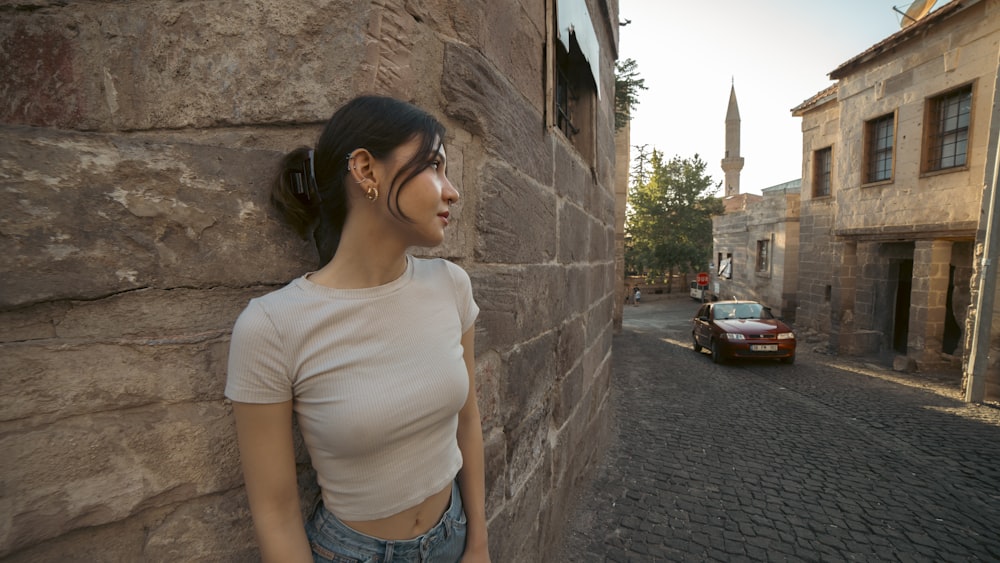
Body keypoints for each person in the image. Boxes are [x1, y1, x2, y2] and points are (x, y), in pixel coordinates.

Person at [225, 95, 490, 563]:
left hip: (454, 534)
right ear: (366, 171)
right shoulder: (271, 326)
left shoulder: (451, 286)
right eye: (433, 165)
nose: (452, 191)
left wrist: (478, 545)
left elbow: (467, 423)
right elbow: (276, 512)